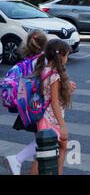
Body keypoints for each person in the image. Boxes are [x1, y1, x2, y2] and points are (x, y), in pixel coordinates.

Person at [3, 30, 48, 175]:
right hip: (38, 105)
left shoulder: (28, 61)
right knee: (46, 138)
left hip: (27, 106)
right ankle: (17, 159)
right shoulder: (43, 60)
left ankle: (31, 168)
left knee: (40, 140)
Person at [33, 39, 75, 175]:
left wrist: (67, 87)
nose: (67, 59)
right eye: (66, 55)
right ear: (60, 56)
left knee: (45, 154)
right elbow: (54, 102)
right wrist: (62, 125)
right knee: (58, 149)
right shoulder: (55, 76)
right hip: (52, 119)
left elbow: (48, 94)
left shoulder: (44, 70)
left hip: (43, 117)